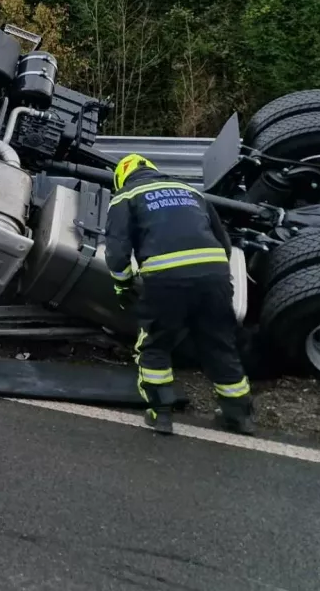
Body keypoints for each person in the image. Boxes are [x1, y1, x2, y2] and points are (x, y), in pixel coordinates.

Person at [105, 153, 254, 436]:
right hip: (215, 277)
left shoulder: (125, 197)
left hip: (166, 281)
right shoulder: (190, 191)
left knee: (155, 343)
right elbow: (223, 242)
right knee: (219, 343)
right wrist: (212, 274)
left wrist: (122, 286)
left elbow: (117, 251)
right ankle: (240, 416)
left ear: (121, 177)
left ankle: (160, 414)